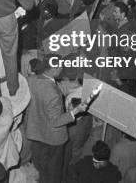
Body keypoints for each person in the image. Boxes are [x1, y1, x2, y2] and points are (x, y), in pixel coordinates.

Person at [25, 54, 96, 183]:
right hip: (53, 138)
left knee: (40, 164)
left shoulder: (32, 79)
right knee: (54, 169)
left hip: (36, 130)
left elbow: (41, 98)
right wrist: (75, 111)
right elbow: (55, 121)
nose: (62, 69)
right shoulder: (54, 94)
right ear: (53, 68)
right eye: (60, 67)